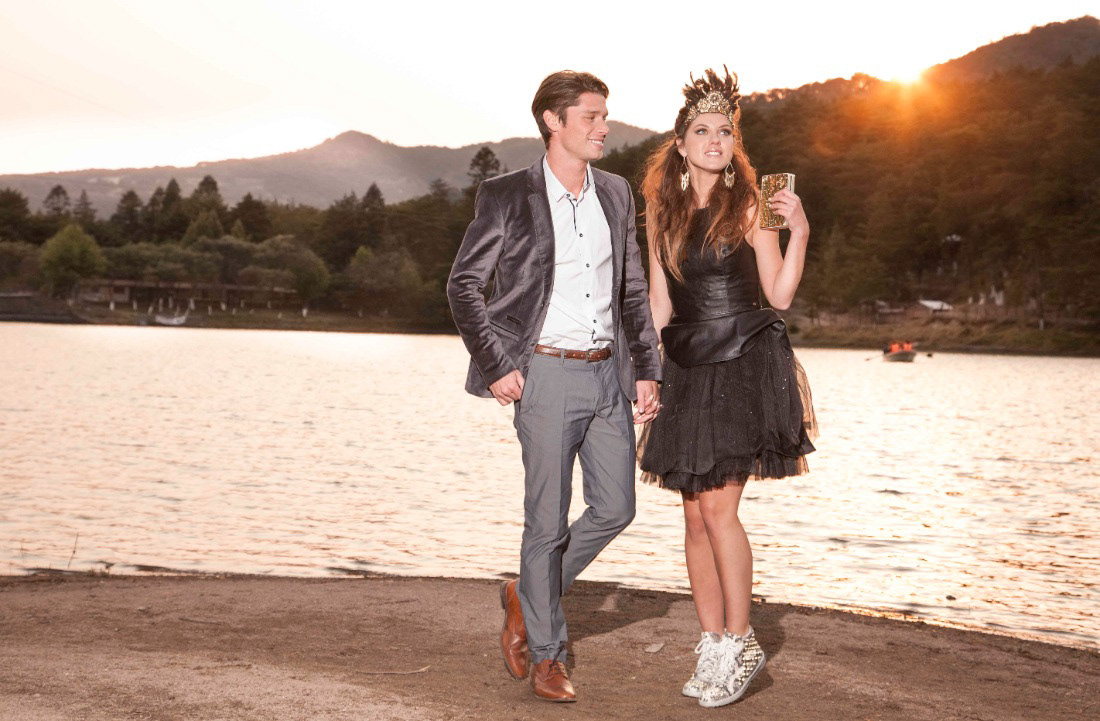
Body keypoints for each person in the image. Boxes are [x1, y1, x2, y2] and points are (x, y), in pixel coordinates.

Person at [447, 70, 663, 703]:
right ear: (553, 121)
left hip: (607, 373)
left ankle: (526, 592)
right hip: (542, 374)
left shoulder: (616, 193)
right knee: (545, 522)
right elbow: (464, 286)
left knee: (616, 508)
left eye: (605, 116)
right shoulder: (507, 194)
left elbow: (631, 291)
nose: (604, 127)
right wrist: (496, 364)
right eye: (591, 117)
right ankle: (548, 656)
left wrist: (647, 368)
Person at [637, 67, 817, 708]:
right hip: (686, 367)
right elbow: (659, 304)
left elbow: (779, 294)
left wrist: (798, 231)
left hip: (742, 361)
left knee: (718, 511)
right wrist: (646, 370)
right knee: (692, 516)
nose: (715, 140)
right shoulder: (661, 213)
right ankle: (712, 640)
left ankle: (741, 642)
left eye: (724, 131)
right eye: (702, 131)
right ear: (681, 144)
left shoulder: (751, 206)